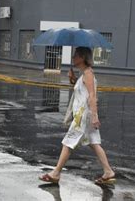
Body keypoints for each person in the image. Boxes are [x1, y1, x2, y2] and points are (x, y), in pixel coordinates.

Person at [39, 47, 115, 185]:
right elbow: (83, 91)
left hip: (83, 115)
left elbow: (92, 96)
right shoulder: (84, 74)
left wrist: (94, 116)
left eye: (75, 56)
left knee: (68, 142)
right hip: (85, 114)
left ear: (82, 58)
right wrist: (73, 80)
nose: (73, 58)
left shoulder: (88, 74)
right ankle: (108, 171)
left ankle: (56, 173)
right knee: (94, 142)